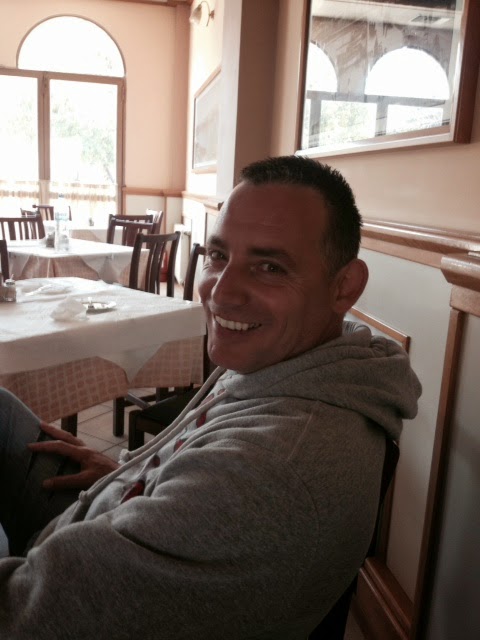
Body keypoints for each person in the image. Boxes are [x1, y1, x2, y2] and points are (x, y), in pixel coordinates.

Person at [0, 155, 421, 639]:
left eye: (269, 266)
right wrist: (131, 474)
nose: (221, 292)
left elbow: (26, 616)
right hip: (117, 504)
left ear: (344, 286)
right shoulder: (299, 361)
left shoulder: (267, 479)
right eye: (218, 256)